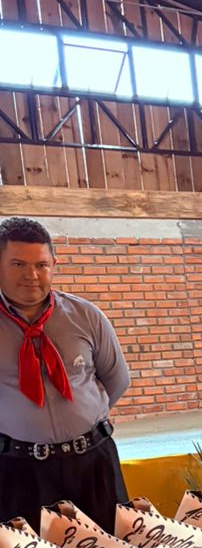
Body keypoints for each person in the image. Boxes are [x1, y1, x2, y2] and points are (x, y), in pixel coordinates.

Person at [0, 216, 131, 532]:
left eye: (41, 265)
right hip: (19, 471)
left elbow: (116, 378)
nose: (32, 275)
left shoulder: (85, 316)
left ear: (53, 265)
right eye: (18, 264)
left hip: (93, 464)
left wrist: (81, 420)